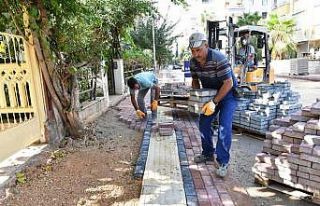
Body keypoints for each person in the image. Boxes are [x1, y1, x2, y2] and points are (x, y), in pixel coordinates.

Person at [188, 32, 238, 177]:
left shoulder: (218, 59)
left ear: (206, 46)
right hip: (210, 94)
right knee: (204, 122)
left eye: (198, 50)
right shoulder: (193, 62)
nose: (196, 54)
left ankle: (223, 162)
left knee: (224, 126)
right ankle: (208, 153)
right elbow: (195, 80)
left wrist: (214, 102)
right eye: (193, 51)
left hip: (227, 94)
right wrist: (197, 98)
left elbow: (228, 83)